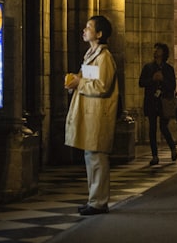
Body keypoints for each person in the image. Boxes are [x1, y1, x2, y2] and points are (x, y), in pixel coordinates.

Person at [64, 15, 118, 215]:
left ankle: (99, 201)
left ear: (100, 33)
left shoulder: (104, 58)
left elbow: (102, 85)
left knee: (97, 158)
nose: (84, 30)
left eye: (89, 27)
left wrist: (80, 83)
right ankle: (94, 199)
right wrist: (74, 81)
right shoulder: (91, 55)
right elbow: (87, 79)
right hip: (89, 113)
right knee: (91, 157)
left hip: (98, 114)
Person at [138, 42, 177, 165]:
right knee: (152, 128)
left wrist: (163, 80)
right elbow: (141, 82)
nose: (156, 51)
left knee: (163, 126)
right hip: (151, 100)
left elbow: (172, 85)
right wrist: (152, 79)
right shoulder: (148, 67)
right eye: (155, 49)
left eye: (158, 50)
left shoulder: (168, 69)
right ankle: (154, 155)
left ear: (164, 53)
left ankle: (172, 146)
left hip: (164, 101)